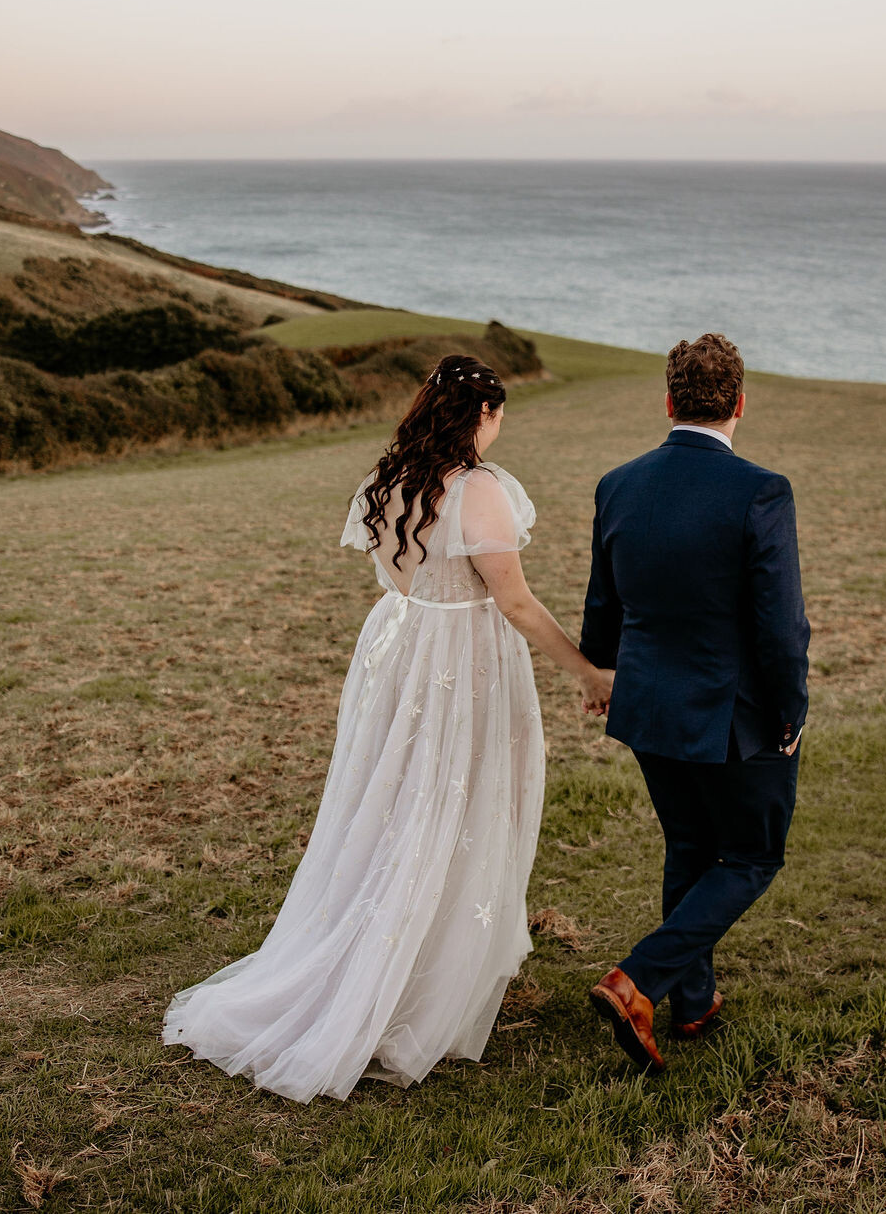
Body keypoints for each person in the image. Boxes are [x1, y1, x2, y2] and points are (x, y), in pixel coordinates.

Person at [162, 354, 613, 1103]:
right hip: (463, 662)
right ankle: (411, 987)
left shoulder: (388, 482)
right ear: (481, 416)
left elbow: (403, 581)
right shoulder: (481, 492)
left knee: (400, 804)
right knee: (451, 808)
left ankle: (399, 962)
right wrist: (589, 671)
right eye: (498, 416)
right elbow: (517, 603)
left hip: (400, 656)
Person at [578, 333, 810, 1071]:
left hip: (649, 707)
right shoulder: (761, 491)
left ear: (670, 401)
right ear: (740, 403)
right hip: (733, 715)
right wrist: (791, 710)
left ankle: (695, 1001)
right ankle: (639, 979)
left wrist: (605, 670)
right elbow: (781, 625)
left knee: (689, 845)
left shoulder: (617, 485)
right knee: (750, 853)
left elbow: (600, 611)